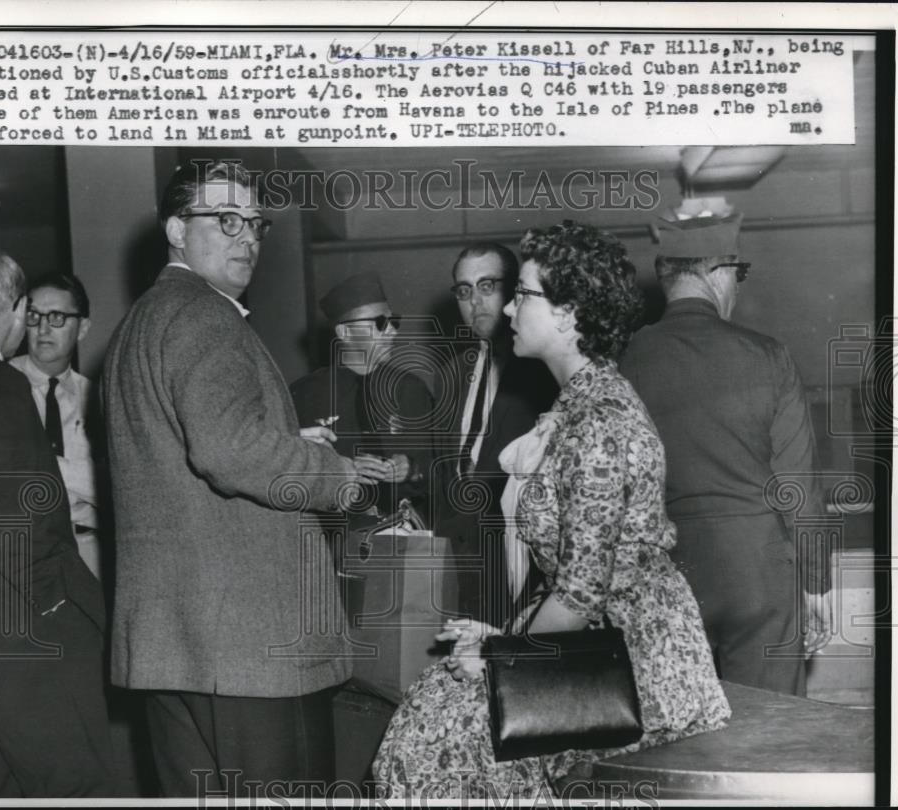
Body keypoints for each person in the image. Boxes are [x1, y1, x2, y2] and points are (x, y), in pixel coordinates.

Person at [373, 222, 729, 799]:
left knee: (435, 737)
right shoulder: (576, 401)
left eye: (524, 293)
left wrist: (499, 657)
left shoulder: (600, 421)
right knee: (433, 702)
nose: (509, 306)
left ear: (567, 312)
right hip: (593, 646)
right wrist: (500, 640)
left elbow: (581, 594)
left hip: (633, 666)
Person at [102, 160, 367, 798]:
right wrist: (340, 477)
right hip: (251, 650)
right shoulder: (206, 314)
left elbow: (182, 454)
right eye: (226, 220)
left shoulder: (142, 321)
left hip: (174, 646)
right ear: (175, 229)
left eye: (255, 222)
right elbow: (227, 451)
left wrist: (281, 442)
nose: (247, 236)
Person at [619, 213, 831, 696]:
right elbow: (798, 484)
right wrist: (816, 583)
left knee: (671, 740)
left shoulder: (623, 360)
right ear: (719, 271)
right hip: (757, 569)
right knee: (769, 738)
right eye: (739, 274)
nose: (737, 287)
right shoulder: (768, 355)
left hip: (664, 572)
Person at [0, 248, 121, 797]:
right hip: (16, 616)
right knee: (75, 777)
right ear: (18, 307)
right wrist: (60, 603)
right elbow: (24, 511)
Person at [435, 243, 557, 628]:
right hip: (458, 566)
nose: (475, 301)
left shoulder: (544, 372)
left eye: (488, 286)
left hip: (520, 566)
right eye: (464, 290)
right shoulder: (449, 375)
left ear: (514, 292)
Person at [291, 271, 435, 523]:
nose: (392, 332)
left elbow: (444, 470)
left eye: (394, 322)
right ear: (344, 333)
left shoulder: (411, 390)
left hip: (404, 539)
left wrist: (411, 470)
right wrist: (338, 472)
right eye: (380, 323)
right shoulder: (304, 395)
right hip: (332, 539)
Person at [10, 274, 101, 579]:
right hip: (20, 554)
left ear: (82, 328)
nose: (43, 328)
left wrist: (41, 463)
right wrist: (82, 475)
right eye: (34, 316)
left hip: (89, 552)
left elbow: (114, 486)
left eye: (58, 317)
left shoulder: (99, 399)